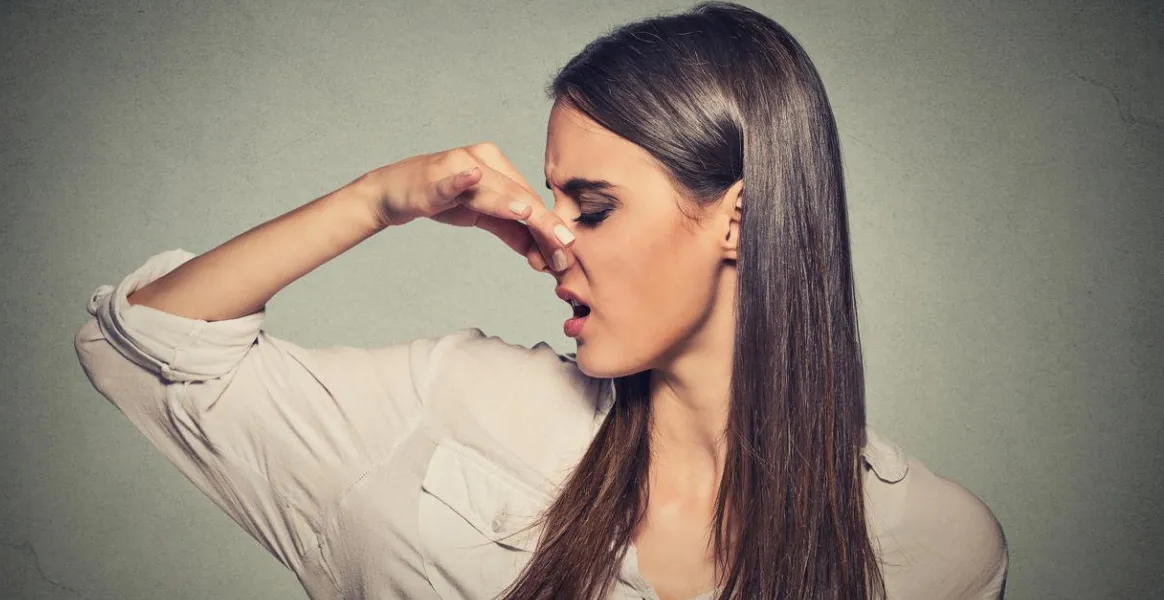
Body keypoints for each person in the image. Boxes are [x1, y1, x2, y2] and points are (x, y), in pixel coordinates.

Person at [74, 2, 1008, 599]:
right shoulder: (456, 401)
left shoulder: (939, 550)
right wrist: (375, 200)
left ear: (739, 218)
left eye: (591, 208)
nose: (551, 241)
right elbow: (143, 343)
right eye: (553, 201)